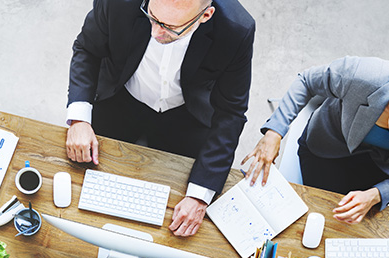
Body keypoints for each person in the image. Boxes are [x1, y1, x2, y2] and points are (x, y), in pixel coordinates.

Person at [66, 0, 255, 237]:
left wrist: (200, 195)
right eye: (152, 17)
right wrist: (79, 118)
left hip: (186, 115)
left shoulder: (237, 29)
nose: (155, 32)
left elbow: (231, 112)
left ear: (205, 16)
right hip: (120, 98)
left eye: (170, 27)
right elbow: (87, 49)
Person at [244, 56, 389, 224]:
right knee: (314, 211)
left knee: (354, 223)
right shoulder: (363, 75)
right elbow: (306, 81)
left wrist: (378, 194)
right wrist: (274, 132)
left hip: (384, 167)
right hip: (327, 147)